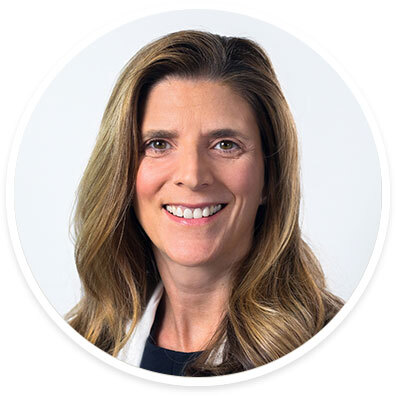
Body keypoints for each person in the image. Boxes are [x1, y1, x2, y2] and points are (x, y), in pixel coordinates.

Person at [66, 30, 344, 376]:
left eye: (225, 144)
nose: (193, 176)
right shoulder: (75, 346)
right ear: (121, 171)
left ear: (269, 177)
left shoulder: (339, 348)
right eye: (158, 144)